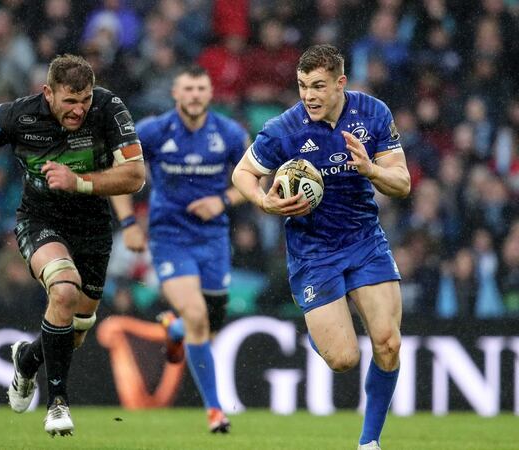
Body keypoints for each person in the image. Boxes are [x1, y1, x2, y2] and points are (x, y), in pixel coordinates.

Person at [0, 54, 144, 436]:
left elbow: (135, 176)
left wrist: (79, 181)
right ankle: (57, 404)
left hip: (92, 228)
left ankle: (26, 358)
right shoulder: (17, 116)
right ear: (47, 93)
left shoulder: (109, 108)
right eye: (70, 101)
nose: (79, 109)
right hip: (39, 221)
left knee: (78, 331)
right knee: (64, 289)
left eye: (84, 99)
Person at [232, 44, 410, 450]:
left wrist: (371, 169)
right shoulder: (284, 129)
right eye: (301, 86)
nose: (308, 95)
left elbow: (402, 184)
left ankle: (369, 443)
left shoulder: (373, 114)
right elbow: (243, 172)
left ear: (340, 84)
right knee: (343, 358)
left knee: (389, 342)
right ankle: (319, 326)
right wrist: (263, 201)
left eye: (317, 86)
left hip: (365, 241)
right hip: (314, 253)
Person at [110, 65, 249, 433]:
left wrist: (222, 200)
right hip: (169, 237)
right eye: (188, 89)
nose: (194, 95)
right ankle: (216, 411)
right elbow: (119, 174)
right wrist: (128, 224)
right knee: (197, 313)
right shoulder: (153, 131)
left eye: (201, 88)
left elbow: (254, 178)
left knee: (209, 324)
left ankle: (174, 331)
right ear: (175, 93)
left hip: (214, 239)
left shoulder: (230, 133)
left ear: (210, 93)